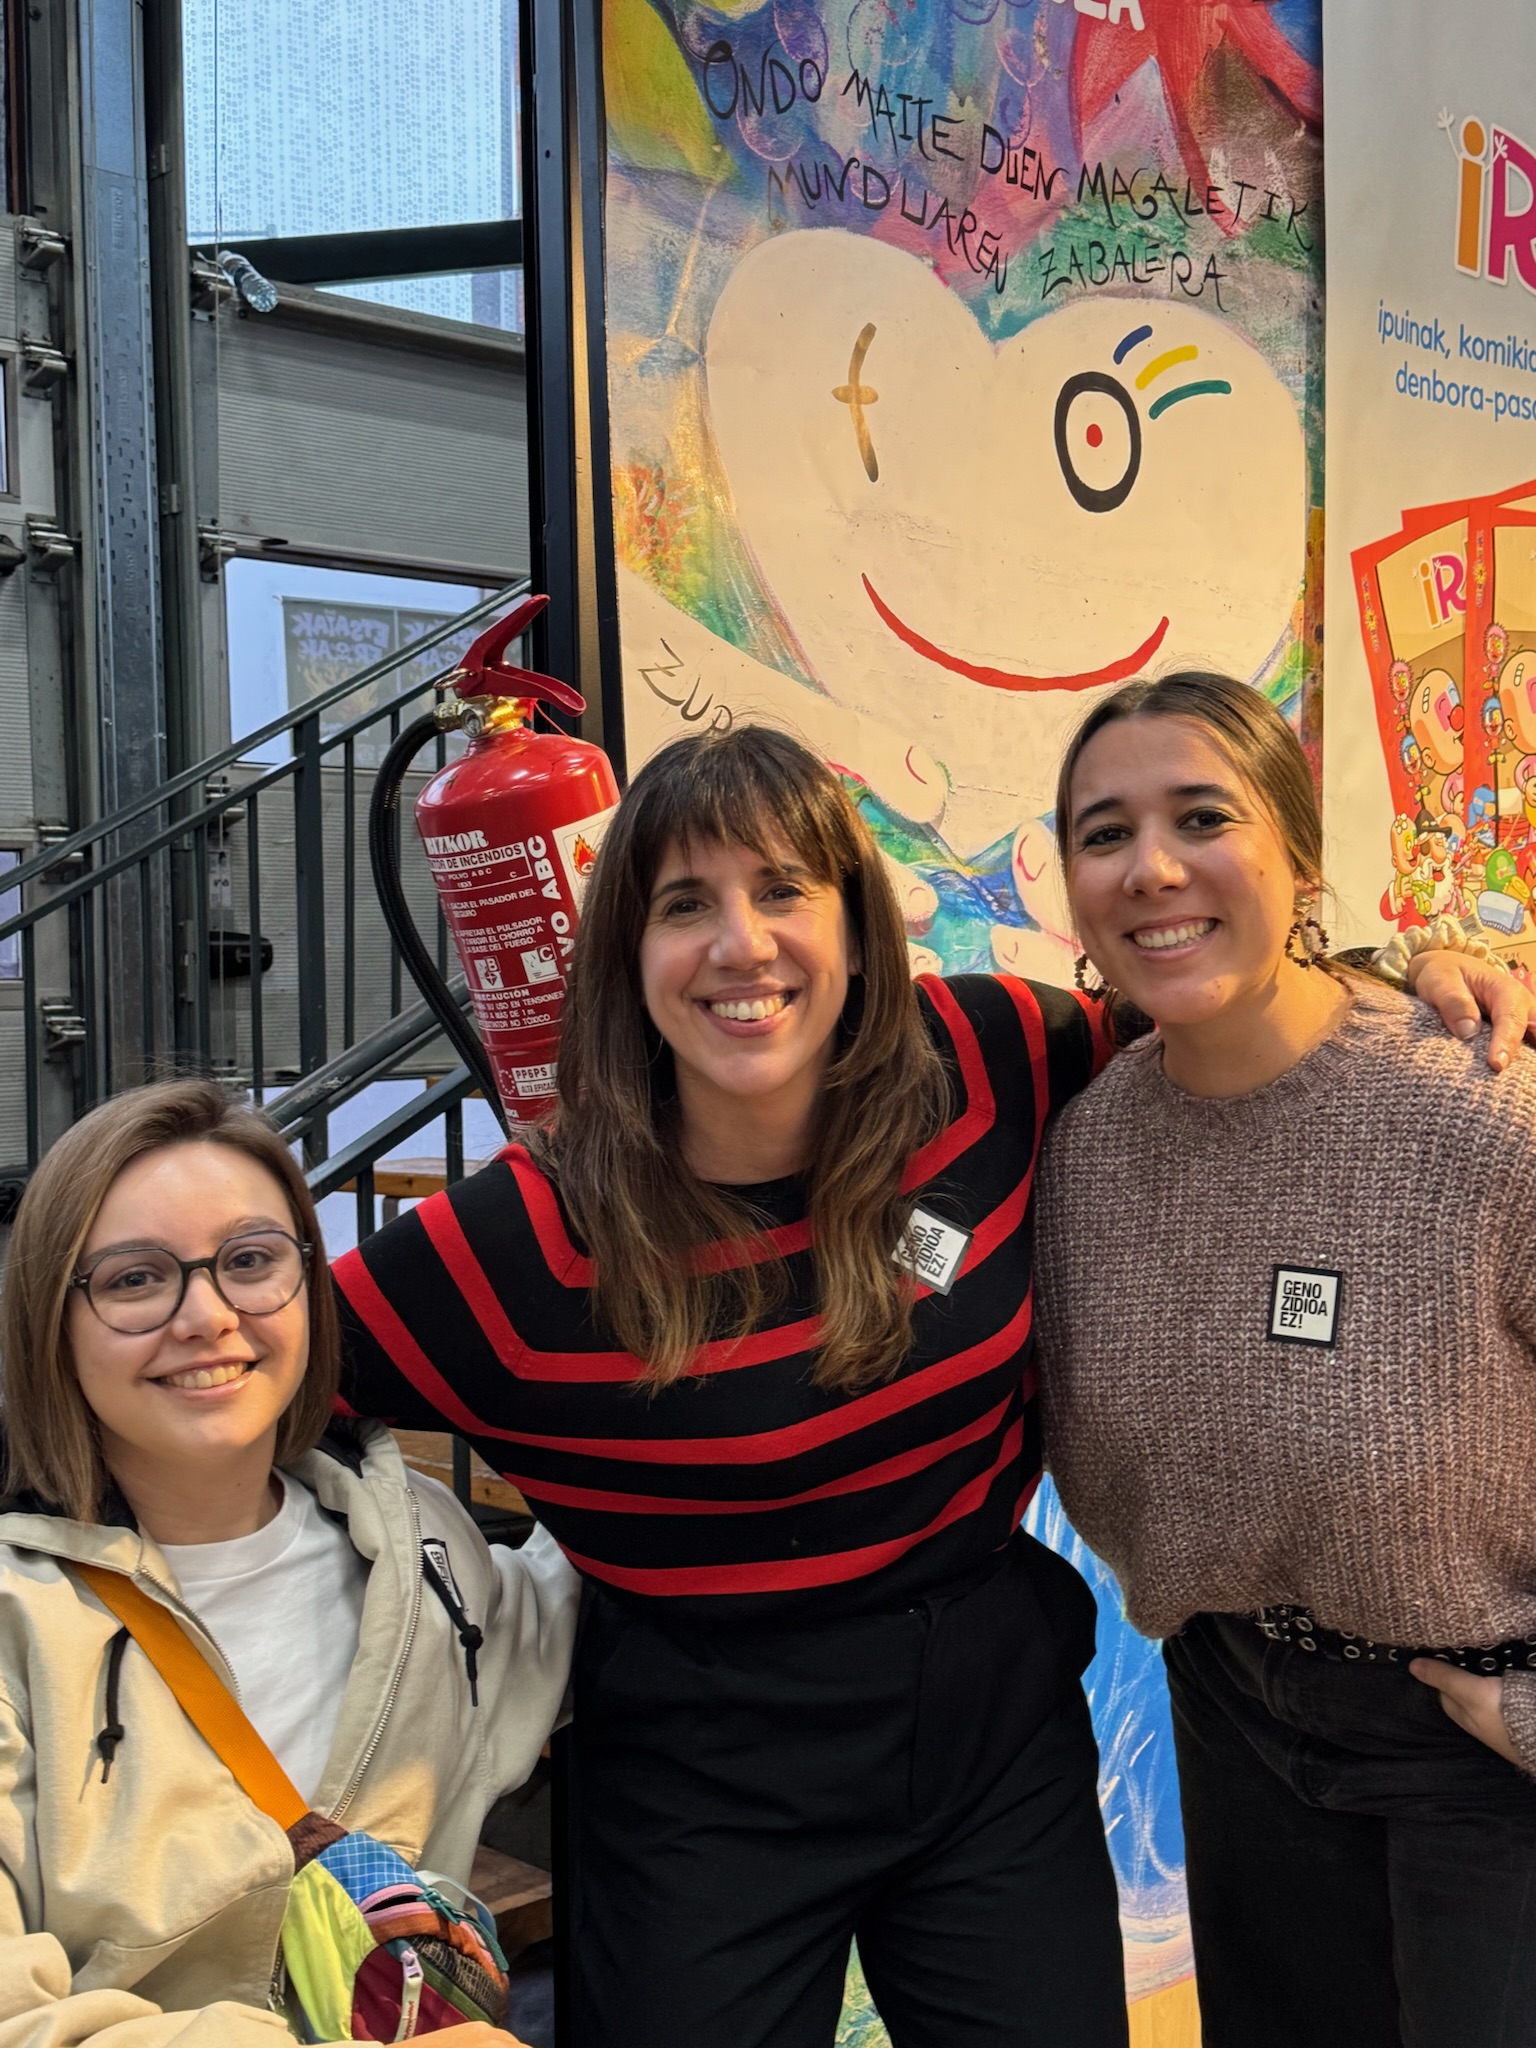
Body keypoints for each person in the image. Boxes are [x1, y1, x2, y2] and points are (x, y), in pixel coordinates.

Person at [331, 722, 1529, 2048]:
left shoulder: (985, 1057)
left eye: (784, 889)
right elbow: (244, 1382)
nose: (741, 944)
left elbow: (1211, 991)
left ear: (857, 930)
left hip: (991, 1736)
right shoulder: (519, 1242)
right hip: (702, 1778)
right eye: (683, 905)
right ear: (624, 953)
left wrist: (1412, 979)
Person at [1034, 672, 1536, 2048]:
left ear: (1300, 856)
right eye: (1104, 833)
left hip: (1481, 1741)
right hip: (1234, 1710)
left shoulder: (1484, 1114)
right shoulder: (1084, 1150)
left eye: (1203, 816)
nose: (1152, 867)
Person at [0, 1079, 579, 2048]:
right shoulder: (18, 1617)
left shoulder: (419, 1547)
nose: (208, 1315)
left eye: (250, 1260)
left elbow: (587, 1589)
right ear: (50, 1322)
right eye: (136, 1278)